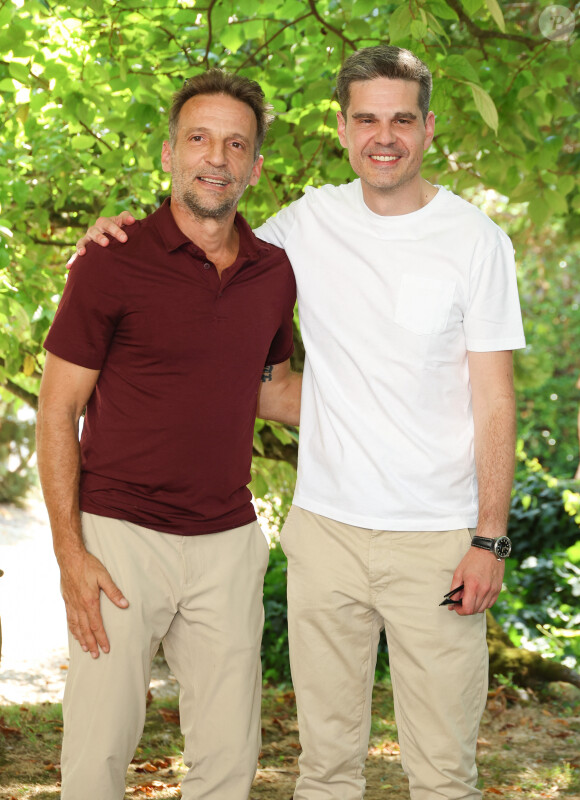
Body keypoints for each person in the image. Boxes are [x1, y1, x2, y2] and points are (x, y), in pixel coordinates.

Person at [76, 46, 526, 800]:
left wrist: (489, 537)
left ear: (428, 129)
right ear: (344, 129)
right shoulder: (302, 227)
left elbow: (496, 400)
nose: (384, 136)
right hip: (324, 536)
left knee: (445, 771)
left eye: (402, 119)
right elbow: (203, 237)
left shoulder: (475, 240)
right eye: (367, 119)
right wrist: (105, 241)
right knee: (325, 768)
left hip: (439, 540)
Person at [36, 69, 300, 800]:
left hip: (226, 541)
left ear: (254, 165)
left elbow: (273, 390)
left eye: (235, 144)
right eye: (199, 138)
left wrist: (408, 405)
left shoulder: (273, 274)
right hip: (120, 539)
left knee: (228, 760)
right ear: (169, 153)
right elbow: (57, 410)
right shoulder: (109, 262)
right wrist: (70, 552)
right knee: (97, 754)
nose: (216, 157)